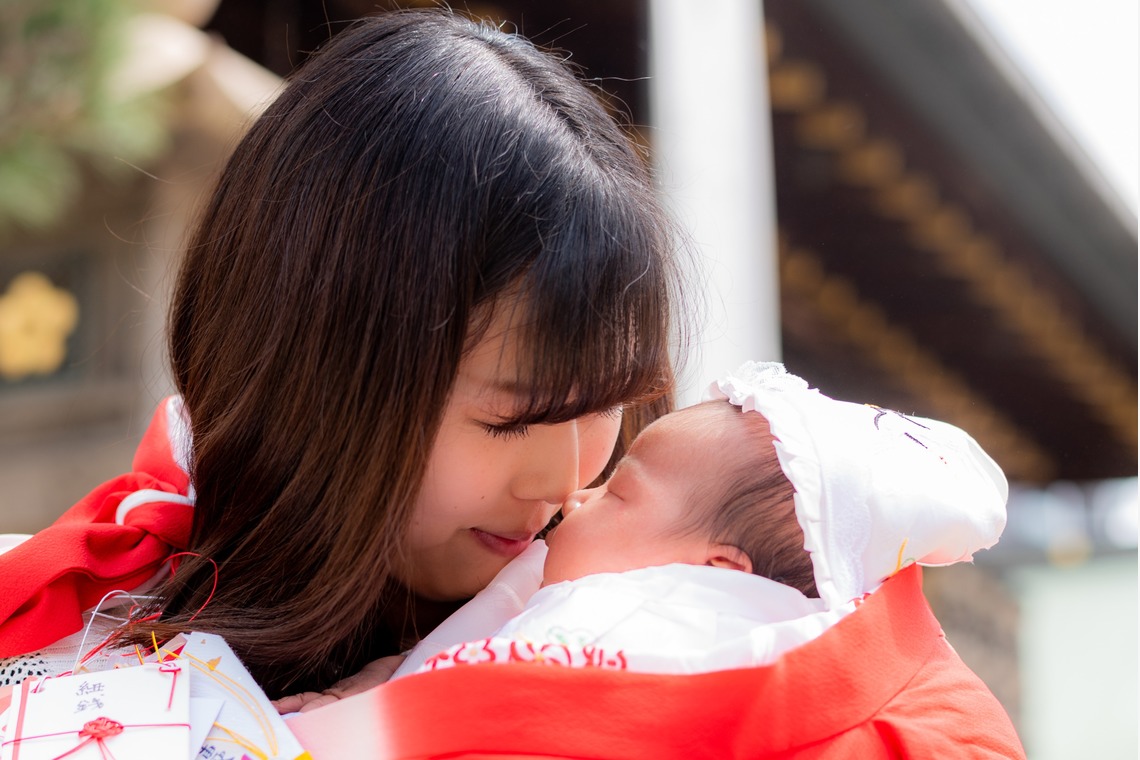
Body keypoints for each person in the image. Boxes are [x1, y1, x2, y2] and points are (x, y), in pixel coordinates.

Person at [0, 8, 683, 700]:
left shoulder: (661, 627)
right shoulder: (77, 660)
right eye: (510, 419)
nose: (563, 482)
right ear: (316, 377)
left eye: (608, 404)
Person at [284, 362, 1027, 758]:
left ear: (715, 574)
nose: (574, 495)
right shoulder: (569, 584)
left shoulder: (657, 626)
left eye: (619, 493)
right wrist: (376, 686)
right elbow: (467, 661)